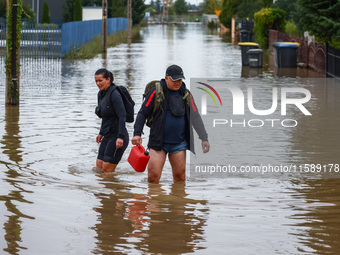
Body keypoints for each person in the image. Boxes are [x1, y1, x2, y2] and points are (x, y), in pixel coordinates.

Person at [132, 64, 210, 183]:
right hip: (158, 143)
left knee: (180, 178)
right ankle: (155, 200)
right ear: (166, 78)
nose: (177, 83)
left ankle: (178, 200)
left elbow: (195, 117)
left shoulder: (186, 94)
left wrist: (204, 138)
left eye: (180, 80)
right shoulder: (155, 92)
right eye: (174, 80)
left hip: (179, 143)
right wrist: (137, 133)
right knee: (153, 178)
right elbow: (142, 113)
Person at [94, 68, 129, 173]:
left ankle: (114, 188)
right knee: (99, 166)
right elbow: (105, 116)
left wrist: (120, 137)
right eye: (96, 81)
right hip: (107, 134)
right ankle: (102, 189)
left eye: (100, 80)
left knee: (107, 171)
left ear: (108, 79)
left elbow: (122, 115)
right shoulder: (101, 94)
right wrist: (101, 133)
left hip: (117, 135)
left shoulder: (115, 94)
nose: (98, 83)